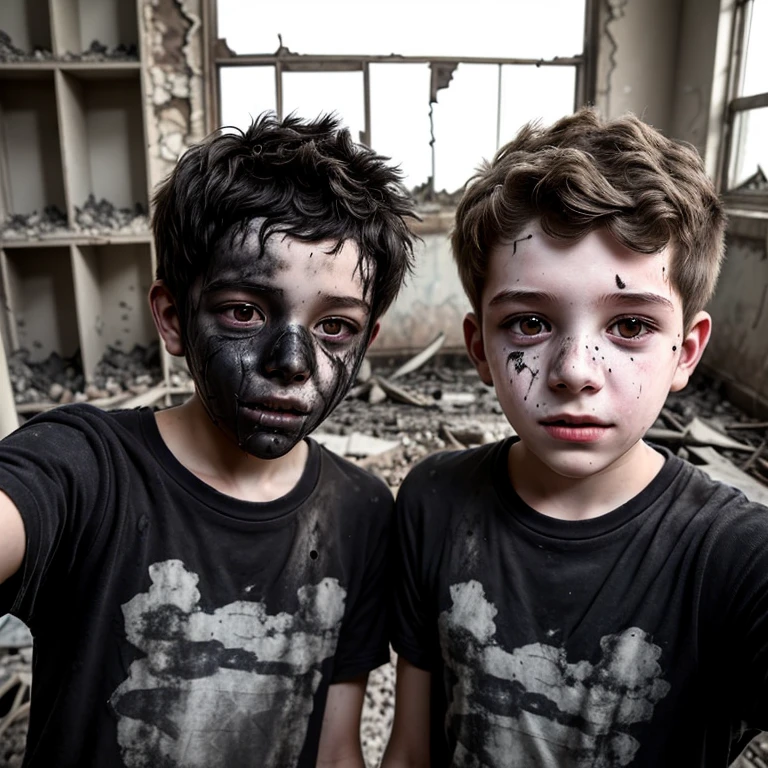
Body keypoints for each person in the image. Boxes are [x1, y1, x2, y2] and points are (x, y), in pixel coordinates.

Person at [0, 113, 416, 767]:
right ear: (172, 318)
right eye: (244, 312)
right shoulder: (88, 465)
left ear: (367, 340)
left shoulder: (362, 511)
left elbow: (338, 751)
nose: (292, 362)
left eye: (334, 326)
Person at [381, 107, 768, 767]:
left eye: (630, 327)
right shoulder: (434, 501)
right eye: (529, 323)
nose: (573, 372)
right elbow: (411, 749)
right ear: (479, 346)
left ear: (686, 351)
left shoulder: (737, 558)